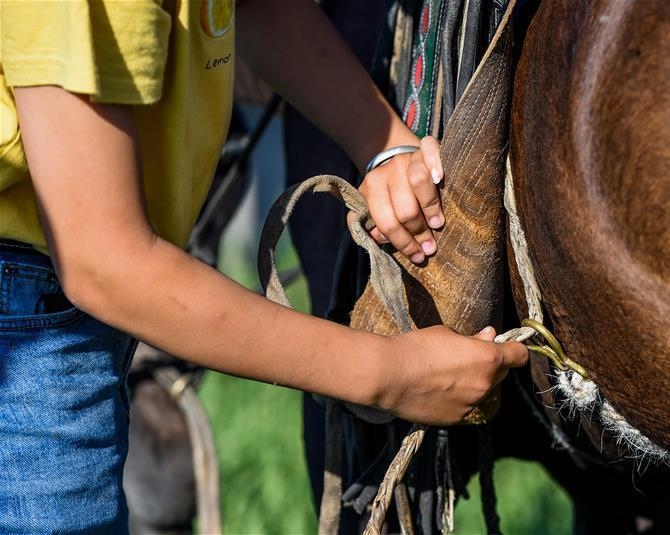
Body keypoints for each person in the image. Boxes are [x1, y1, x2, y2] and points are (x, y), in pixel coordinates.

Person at [0, 0, 528, 532]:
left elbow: (252, 7)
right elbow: (103, 263)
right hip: (26, 324)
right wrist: (392, 374)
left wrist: (383, 144)